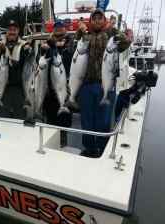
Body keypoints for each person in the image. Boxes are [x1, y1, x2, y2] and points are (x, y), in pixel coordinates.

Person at [76, 9, 131, 158]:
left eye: (100, 18)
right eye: (95, 18)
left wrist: (113, 29)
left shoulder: (110, 36)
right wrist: (81, 31)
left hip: (106, 84)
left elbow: (126, 43)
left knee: (103, 121)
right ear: (91, 21)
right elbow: (76, 45)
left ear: (104, 20)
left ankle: (102, 148)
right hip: (86, 85)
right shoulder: (85, 36)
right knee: (87, 120)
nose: (97, 20)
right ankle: (89, 148)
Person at [41, 20, 75, 147]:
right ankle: (51, 146)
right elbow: (42, 62)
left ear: (65, 29)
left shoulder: (71, 43)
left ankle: (63, 145)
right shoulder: (47, 44)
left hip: (65, 90)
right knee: (50, 123)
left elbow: (73, 55)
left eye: (61, 27)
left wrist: (61, 46)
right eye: (57, 27)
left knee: (63, 123)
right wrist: (44, 49)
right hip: (49, 91)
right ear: (53, 30)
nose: (59, 29)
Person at [0, 20, 31, 120]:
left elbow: (30, 60)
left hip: (20, 89)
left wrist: (28, 50)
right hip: (4, 89)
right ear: (7, 31)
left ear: (18, 31)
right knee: (4, 118)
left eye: (14, 30)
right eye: (10, 30)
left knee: (20, 118)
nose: (12, 32)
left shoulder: (24, 44)